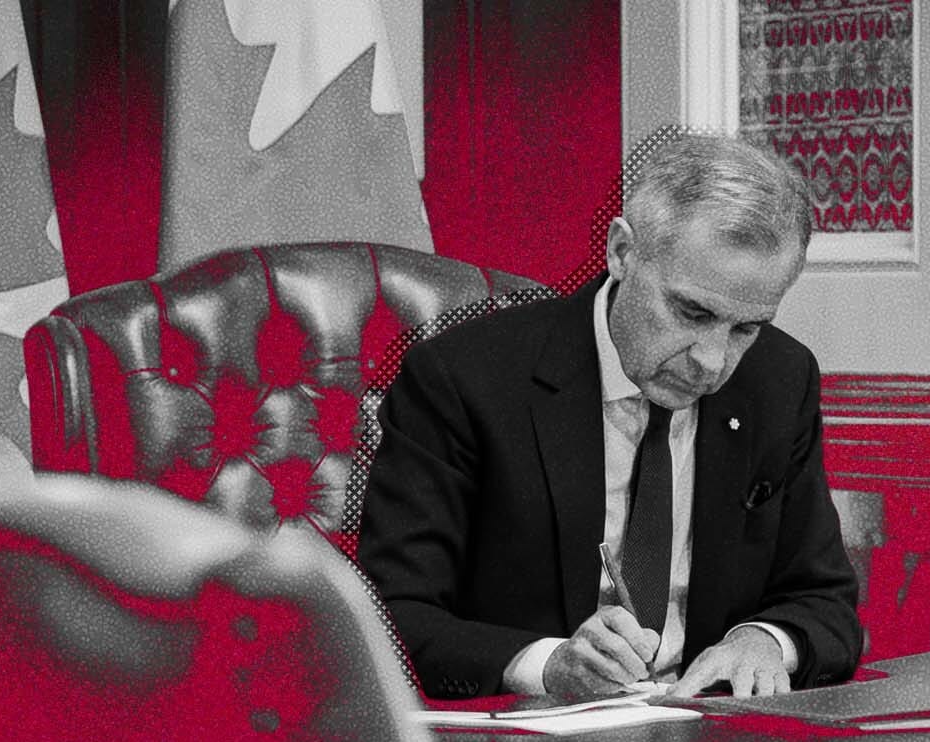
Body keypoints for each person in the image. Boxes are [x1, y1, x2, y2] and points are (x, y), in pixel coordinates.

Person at [357, 131, 862, 700]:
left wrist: (765, 640)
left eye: (746, 328)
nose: (712, 362)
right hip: (532, 731)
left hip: (709, 727)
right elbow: (392, 617)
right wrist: (547, 665)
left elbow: (824, 601)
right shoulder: (464, 378)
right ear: (622, 252)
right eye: (692, 313)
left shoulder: (778, 379)